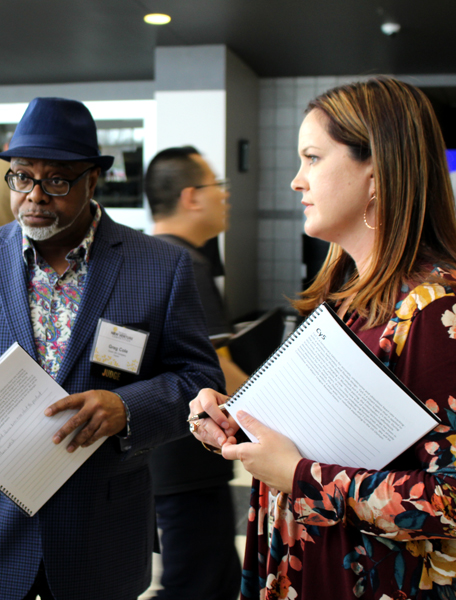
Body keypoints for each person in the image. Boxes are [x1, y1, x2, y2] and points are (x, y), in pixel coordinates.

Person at [0, 97, 224, 600]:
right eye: (22, 177)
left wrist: (126, 408)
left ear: (93, 179)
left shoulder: (159, 266)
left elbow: (199, 380)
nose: (35, 196)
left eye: (57, 180)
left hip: (100, 535)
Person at [190, 76, 456, 599]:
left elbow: (447, 501)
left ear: (376, 175)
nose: (296, 180)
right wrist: (236, 419)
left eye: (312, 158)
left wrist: (298, 475)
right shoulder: (346, 298)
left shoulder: (437, 310)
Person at [144, 146, 245, 600]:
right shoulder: (185, 265)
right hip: (190, 460)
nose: (225, 197)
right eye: (216, 187)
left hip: (161, 457)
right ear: (191, 197)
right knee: (195, 585)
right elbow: (218, 369)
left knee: (215, 579)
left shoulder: (144, 260)